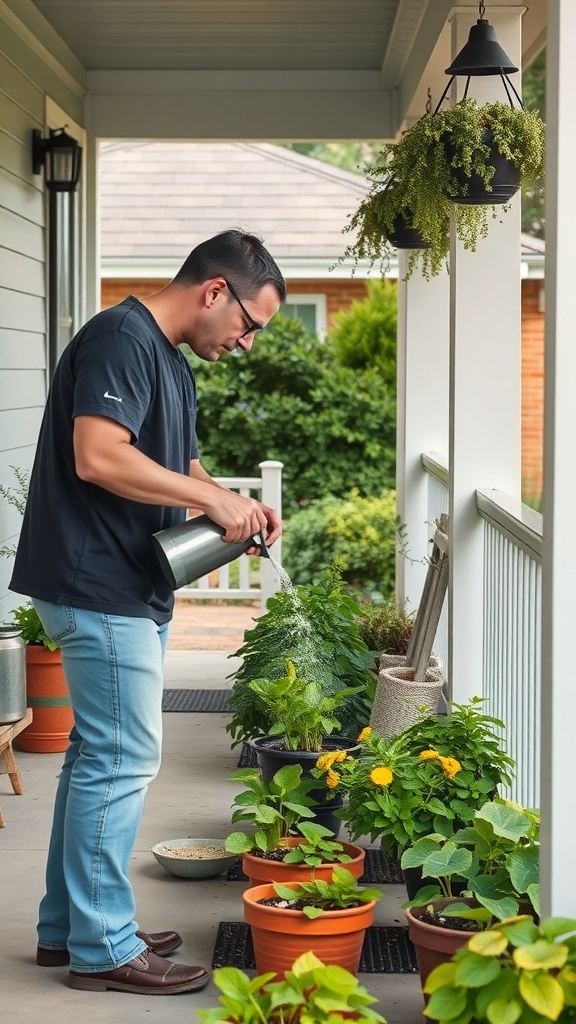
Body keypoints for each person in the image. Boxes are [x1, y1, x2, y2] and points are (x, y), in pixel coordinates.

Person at [10, 229, 286, 995]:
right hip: (97, 587)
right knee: (121, 760)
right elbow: (98, 456)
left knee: (93, 760)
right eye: (250, 324)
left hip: (124, 587)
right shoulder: (120, 338)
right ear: (214, 292)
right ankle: (105, 947)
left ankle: (69, 929)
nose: (248, 343)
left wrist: (236, 505)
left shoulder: (166, 358)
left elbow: (178, 465)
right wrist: (210, 497)